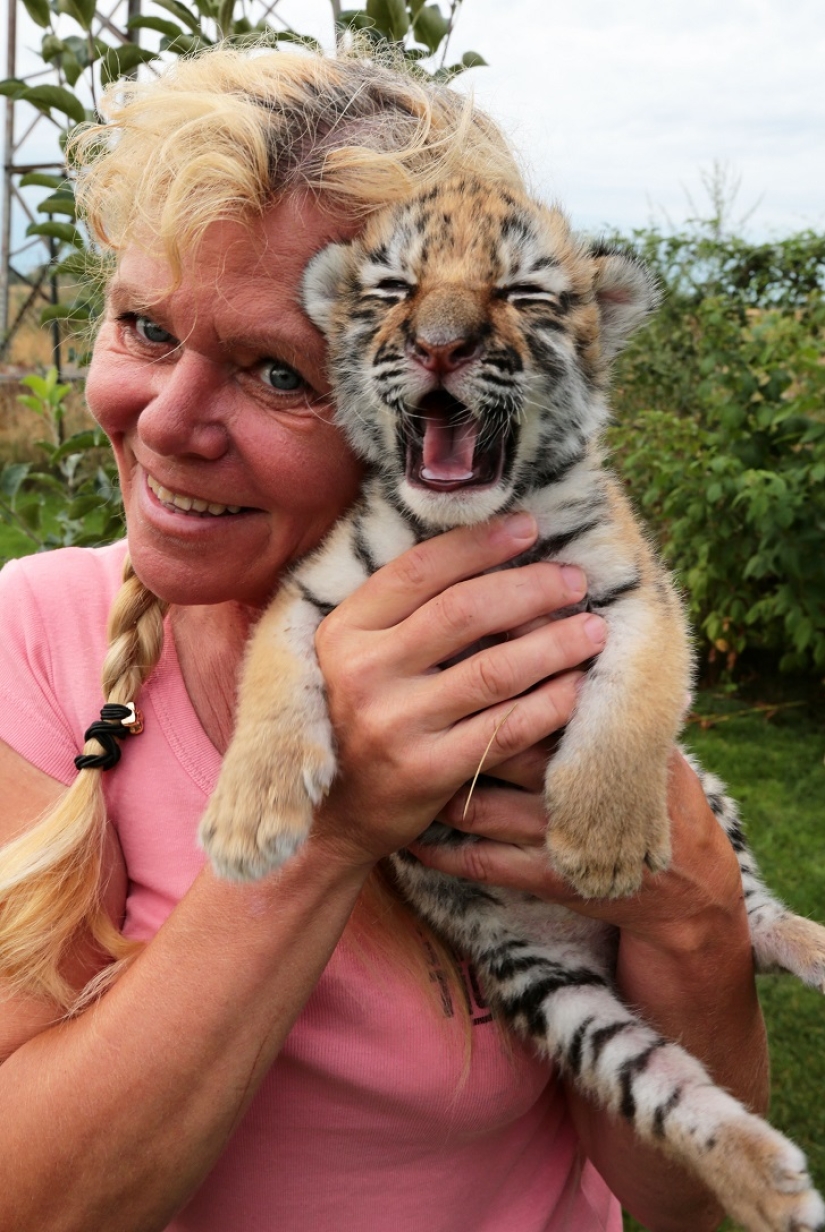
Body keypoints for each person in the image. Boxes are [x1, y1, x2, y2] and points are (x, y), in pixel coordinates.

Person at [0, 44, 767, 1232]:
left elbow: (672, 1201)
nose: (164, 423)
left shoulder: (547, 665)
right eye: (144, 325)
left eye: (273, 372)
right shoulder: (32, 638)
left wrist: (695, 914)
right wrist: (327, 825)